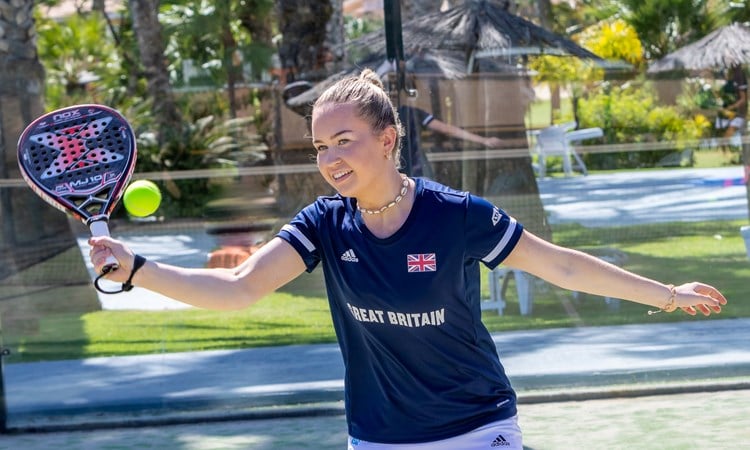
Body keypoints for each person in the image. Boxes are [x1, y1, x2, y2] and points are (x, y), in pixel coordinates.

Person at [89, 68, 727, 449]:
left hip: (478, 429)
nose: (331, 158)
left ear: (388, 139)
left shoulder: (456, 216)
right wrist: (137, 267)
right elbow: (237, 289)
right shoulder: (323, 224)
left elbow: (560, 265)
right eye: (319, 146)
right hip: (379, 437)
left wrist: (668, 293)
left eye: (345, 140)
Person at [399, 103, 505, 178]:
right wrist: (483, 140)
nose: (394, 91)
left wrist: (483, 140)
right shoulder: (405, 112)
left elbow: (446, 129)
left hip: (414, 173)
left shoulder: (410, 112)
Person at [715, 64, 748, 145]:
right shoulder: (728, 76)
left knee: (729, 131)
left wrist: (732, 107)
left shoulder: (740, 77)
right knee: (720, 132)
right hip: (726, 111)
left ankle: (725, 149)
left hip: (738, 113)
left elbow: (743, 98)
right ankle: (724, 149)